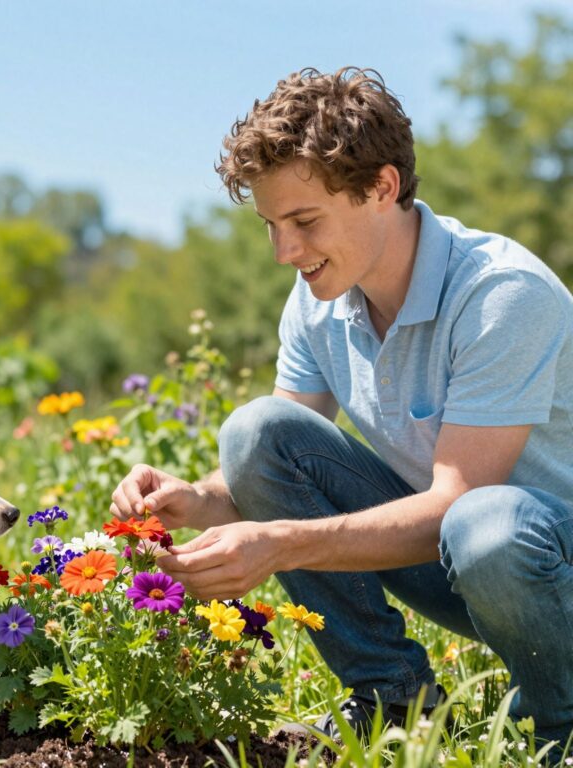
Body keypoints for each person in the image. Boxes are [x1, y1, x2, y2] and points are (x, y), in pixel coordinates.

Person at [111, 67, 573, 749]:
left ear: (382, 188)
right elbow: (271, 469)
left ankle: (557, 730)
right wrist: (199, 500)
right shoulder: (318, 301)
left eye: (304, 222)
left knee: (485, 524)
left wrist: (280, 545)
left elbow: (458, 504)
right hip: (469, 562)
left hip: (537, 563)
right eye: (272, 226)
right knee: (255, 433)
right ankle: (394, 698)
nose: (284, 252)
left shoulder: (500, 294)